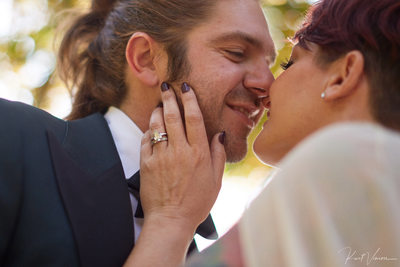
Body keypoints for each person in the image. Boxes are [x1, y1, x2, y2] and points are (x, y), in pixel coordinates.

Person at [0, 0, 275, 266]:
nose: (267, 84)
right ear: (146, 59)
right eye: (236, 52)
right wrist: (170, 221)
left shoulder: (199, 255)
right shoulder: (12, 135)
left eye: (270, 64)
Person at [125, 0, 400, 266]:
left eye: (288, 64)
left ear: (343, 74)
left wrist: (170, 219)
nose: (268, 88)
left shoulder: (339, 156)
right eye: (235, 53)